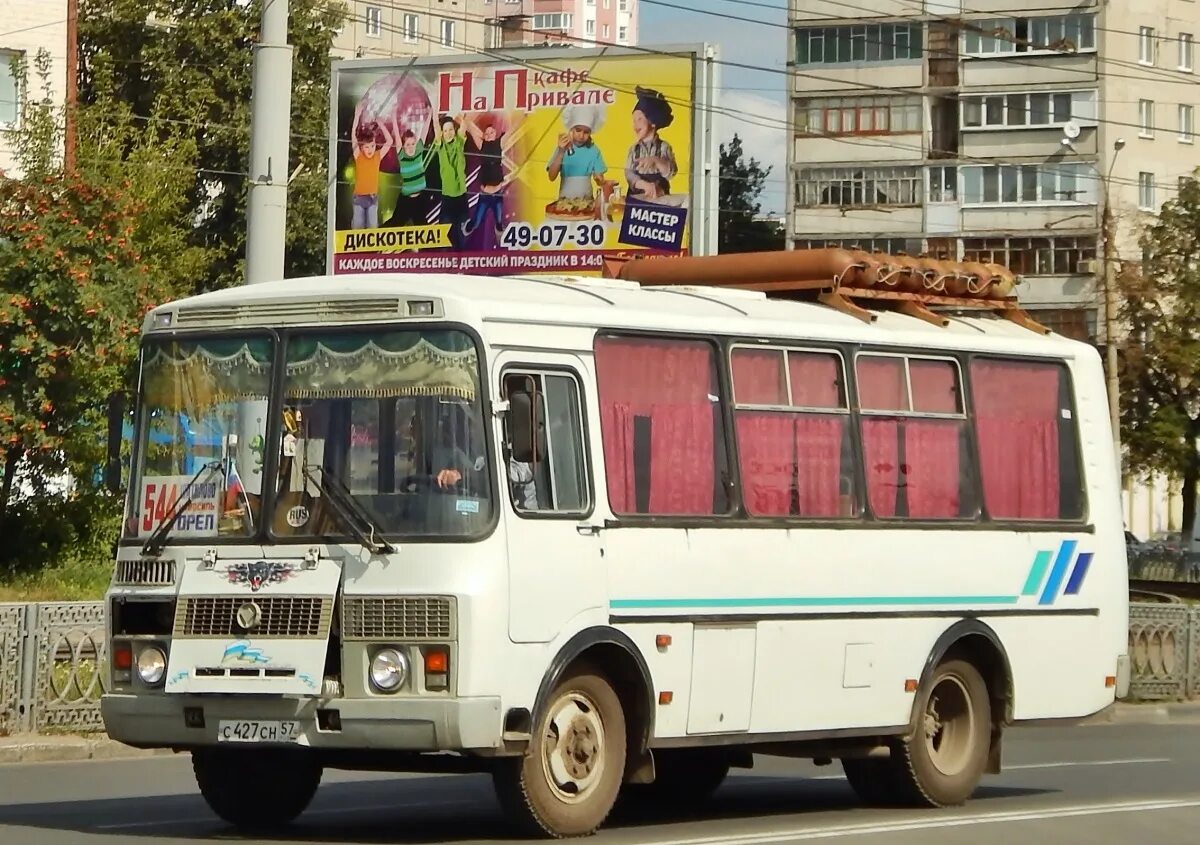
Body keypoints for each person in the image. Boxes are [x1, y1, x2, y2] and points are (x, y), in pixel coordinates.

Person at [462, 113, 518, 243]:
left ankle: (499, 233)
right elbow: (472, 130)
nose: (489, 134)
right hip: (485, 194)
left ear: (495, 134)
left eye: (491, 132)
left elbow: (511, 131)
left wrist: (524, 116)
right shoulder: (482, 145)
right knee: (475, 222)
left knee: (498, 221)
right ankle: (466, 228)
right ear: (484, 136)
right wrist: (466, 119)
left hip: (497, 193)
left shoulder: (499, 143)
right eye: (486, 133)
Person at [624, 87, 678, 202]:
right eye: (634, 121)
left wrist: (656, 160)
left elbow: (671, 172)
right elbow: (629, 173)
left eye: (639, 119)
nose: (635, 125)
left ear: (652, 122)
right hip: (637, 199)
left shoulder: (664, 147)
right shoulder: (634, 149)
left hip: (659, 198)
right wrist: (643, 184)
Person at [546, 104, 608, 203]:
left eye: (586, 132)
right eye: (578, 130)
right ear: (571, 130)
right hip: (564, 202)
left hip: (586, 202)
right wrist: (561, 152)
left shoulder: (594, 151)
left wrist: (599, 179)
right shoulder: (562, 147)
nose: (581, 135)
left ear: (590, 133)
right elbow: (551, 177)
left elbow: (600, 181)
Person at [387, 112, 436, 228]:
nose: (411, 147)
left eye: (413, 143)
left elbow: (424, 132)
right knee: (395, 224)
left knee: (422, 227)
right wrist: (394, 118)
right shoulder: (402, 155)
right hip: (406, 200)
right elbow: (397, 138)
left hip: (420, 199)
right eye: (407, 144)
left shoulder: (419, 150)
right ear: (403, 146)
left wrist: (429, 115)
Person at [350, 102, 394, 229]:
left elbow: (390, 141)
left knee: (372, 228)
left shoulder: (377, 156)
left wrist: (380, 123)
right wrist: (357, 115)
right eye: (367, 147)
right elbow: (353, 135)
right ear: (362, 147)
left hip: (372, 198)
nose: (370, 150)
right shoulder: (358, 155)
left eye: (372, 146)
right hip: (359, 198)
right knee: (357, 229)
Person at [432, 114, 470, 250]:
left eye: (450, 130)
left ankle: (461, 261)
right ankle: (447, 260)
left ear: (454, 130)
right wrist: (435, 112)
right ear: (442, 133)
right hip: (447, 196)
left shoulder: (459, 142)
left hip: (461, 195)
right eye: (445, 130)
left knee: (461, 232)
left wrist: (461, 113)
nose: (448, 133)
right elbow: (436, 125)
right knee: (446, 233)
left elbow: (464, 124)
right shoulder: (440, 145)